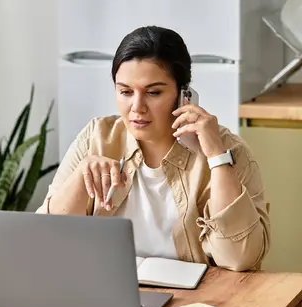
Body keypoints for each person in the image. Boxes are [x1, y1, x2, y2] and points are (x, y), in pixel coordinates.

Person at [37, 26, 270, 272]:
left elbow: (240, 258)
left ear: (184, 95)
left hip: (200, 299)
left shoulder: (228, 149)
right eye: (125, 91)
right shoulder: (97, 138)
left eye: (153, 92)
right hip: (108, 290)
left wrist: (216, 158)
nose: (137, 107)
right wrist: (81, 175)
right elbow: (44, 242)